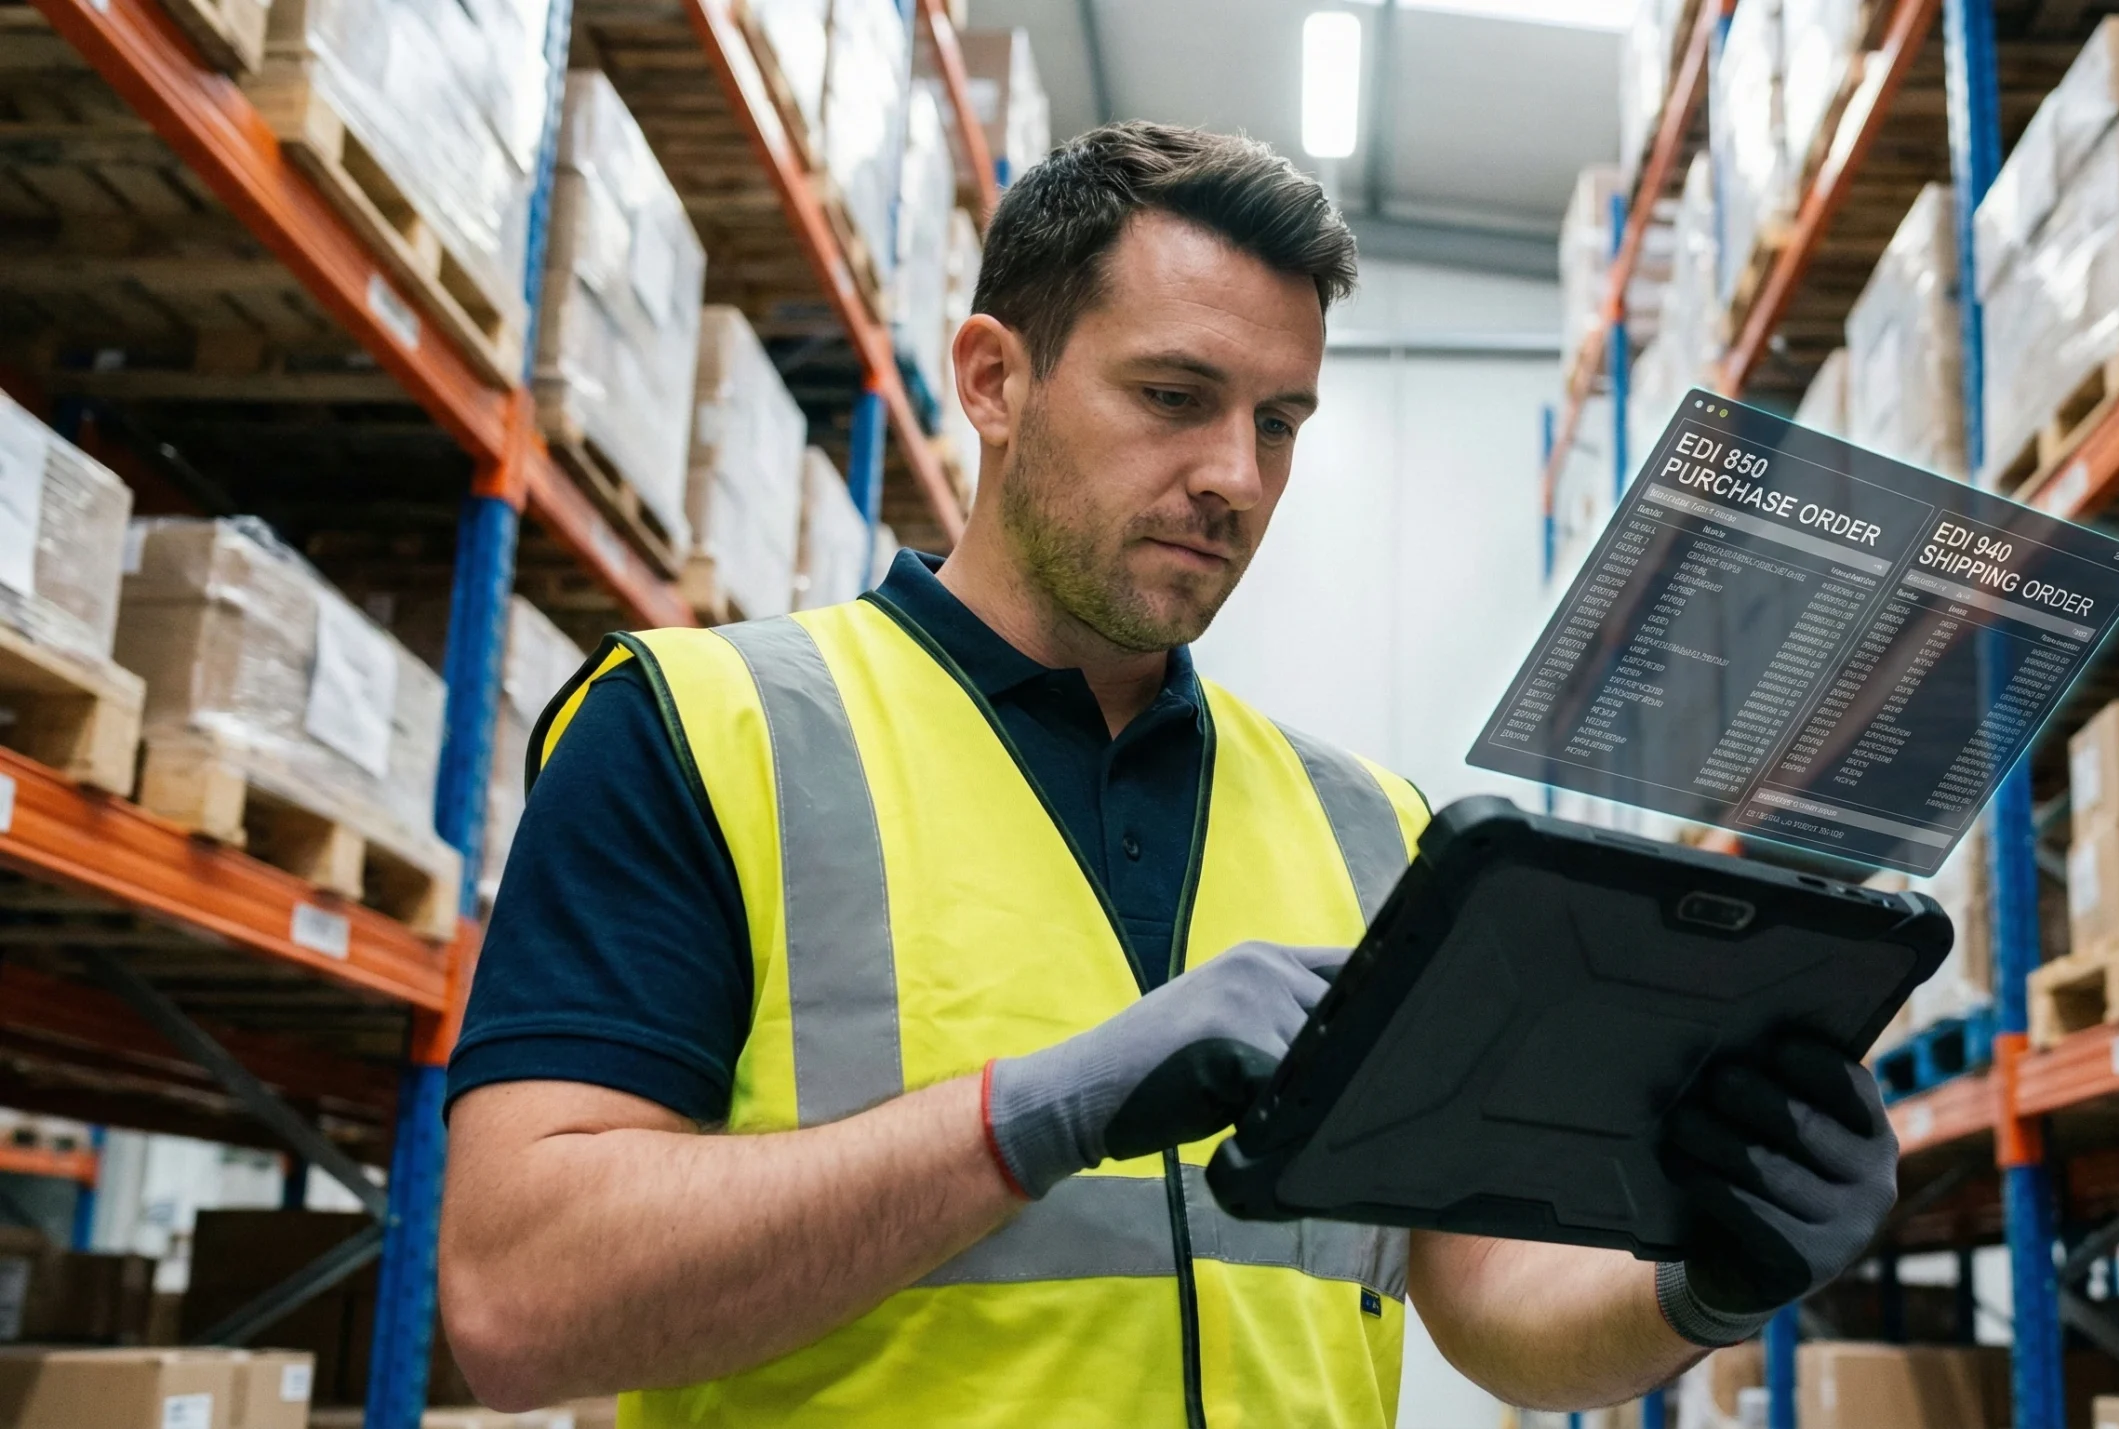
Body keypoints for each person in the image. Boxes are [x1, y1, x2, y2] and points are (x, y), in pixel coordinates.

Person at [438, 121, 1897, 1427]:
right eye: (1174, 395)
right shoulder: (708, 730)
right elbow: (518, 1301)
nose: (1236, 479)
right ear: (994, 380)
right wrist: (1038, 1110)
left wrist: (1709, 1281)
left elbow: (1486, 1301)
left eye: (1278, 422)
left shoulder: (1376, 831)